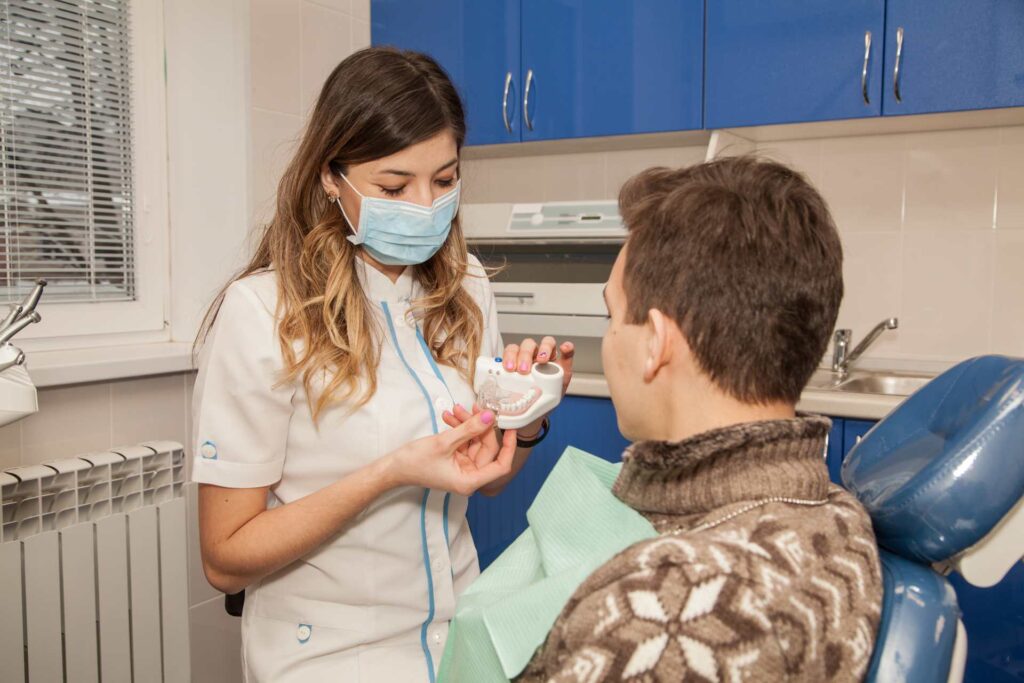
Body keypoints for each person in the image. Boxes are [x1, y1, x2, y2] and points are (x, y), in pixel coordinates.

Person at [190, 47, 573, 682]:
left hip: (459, 639)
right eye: (394, 187)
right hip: (327, 657)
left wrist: (525, 421)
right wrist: (388, 473)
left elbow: (486, 478)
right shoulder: (263, 311)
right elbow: (225, 558)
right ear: (329, 178)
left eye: (444, 180)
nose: (425, 206)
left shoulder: (466, 287)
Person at [453, 156, 883, 681]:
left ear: (655, 343)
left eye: (613, 317)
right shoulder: (837, 512)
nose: (609, 341)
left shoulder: (666, 618)